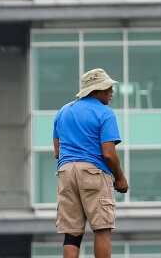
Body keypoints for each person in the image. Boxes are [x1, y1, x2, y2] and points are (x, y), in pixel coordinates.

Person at [53, 67, 128, 258]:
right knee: (102, 229)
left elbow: (57, 151)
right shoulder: (105, 113)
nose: (111, 93)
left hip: (66, 171)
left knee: (71, 235)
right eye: (107, 89)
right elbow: (109, 154)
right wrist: (120, 178)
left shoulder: (63, 111)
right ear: (95, 91)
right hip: (93, 172)